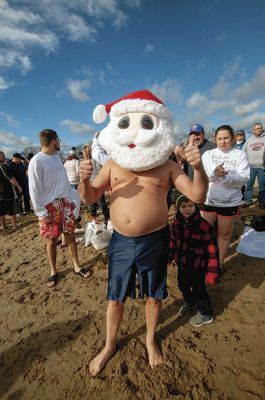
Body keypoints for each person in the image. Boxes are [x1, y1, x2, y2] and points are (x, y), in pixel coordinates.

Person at [79, 90, 208, 376]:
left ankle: (150, 340)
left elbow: (198, 195)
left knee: (154, 295)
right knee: (115, 298)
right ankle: (109, 344)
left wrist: (199, 168)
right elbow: (89, 198)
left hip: (155, 240)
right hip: (121, 241)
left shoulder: (168, 166)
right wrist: (84, 178)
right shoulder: (113, 164)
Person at [28, 129, 90, 288]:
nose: (60, 143)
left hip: (65, 204)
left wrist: (72, 201)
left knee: (70, 236)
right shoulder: (37, 161)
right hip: (48, 207)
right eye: (59, 140)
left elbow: (64, 183)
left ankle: (76, 266)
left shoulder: (57, 159)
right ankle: (53, 271)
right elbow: (34, 189)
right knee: (51, 241)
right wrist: (41, 212)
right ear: (53, 140)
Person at [201, 125, 250, 269]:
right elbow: (202, 176)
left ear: (233, 138)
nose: (223, 141)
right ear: (215, 139)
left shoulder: (239, 155)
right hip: (209, 200)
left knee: (224, 235)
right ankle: (204, 261)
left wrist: (227, 175)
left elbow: (244, 178)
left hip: (229, 202)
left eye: (226, 138)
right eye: (219, 138)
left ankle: (218, 265)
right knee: (205, 234)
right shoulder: (208, 154)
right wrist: (215, 173)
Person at [168, 195, 220, 327]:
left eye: (191, 206)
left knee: (199, 289)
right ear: (178, 208)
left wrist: (213, 272)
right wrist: (169, 256)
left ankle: (205, 313)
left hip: (198, 265)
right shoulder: (175, 224)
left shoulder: (204, 226)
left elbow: (213, 250)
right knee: (182, 285)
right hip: (182, 264)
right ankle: (190, 302)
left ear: (196, 207)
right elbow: (173, 242)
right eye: (183, 206)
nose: (187, 209)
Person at [83, 143, 110, 225]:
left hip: (98, 183)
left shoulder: (96, 159)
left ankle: (106, 218)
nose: (89, 150)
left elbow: (101, 170)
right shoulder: (84, 161)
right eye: (87, 149)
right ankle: (94, 219)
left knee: (101, 202)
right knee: (92, 203)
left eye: (89, 148)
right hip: (90, 183)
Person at [242, 122, 265, 209]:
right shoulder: (249, 140)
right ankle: (248, 200)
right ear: (253, 130)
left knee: (262, 185)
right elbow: (243, 152)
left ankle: (262, 201)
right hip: (251, 167)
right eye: (257, 128)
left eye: (260, 128)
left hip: (262, 167)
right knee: (249, 184)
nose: (259, 129)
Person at [0, 151, 22, 230]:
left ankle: (3, 226)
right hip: (7, 191)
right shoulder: (3, 166)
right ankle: (14, 225)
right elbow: (10, 178)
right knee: (11, 209)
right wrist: (18, 186)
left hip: (1, 193)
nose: (4, 157)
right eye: (2, 156)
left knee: (1, 210)